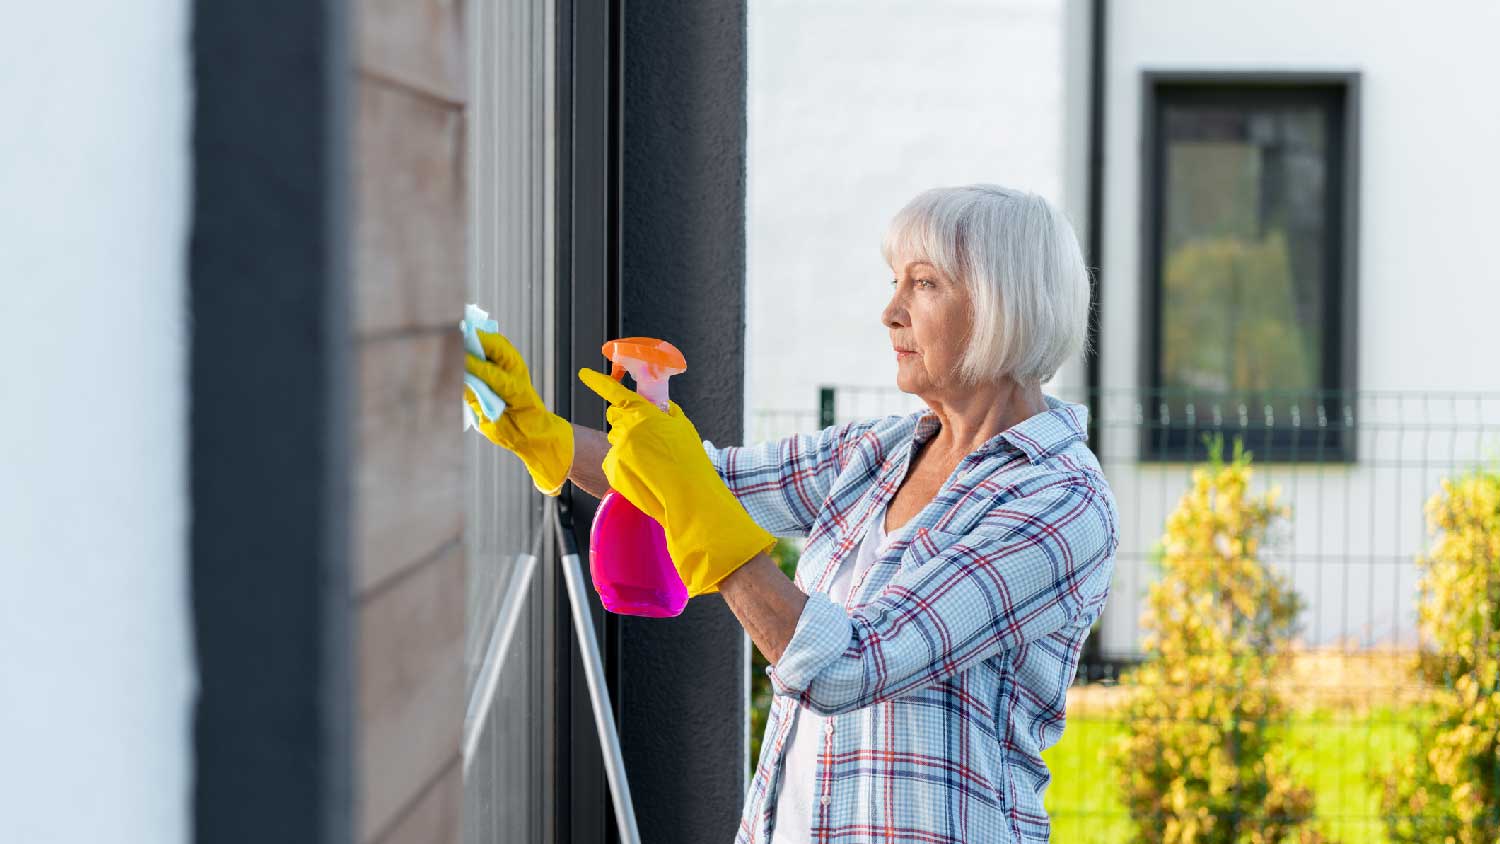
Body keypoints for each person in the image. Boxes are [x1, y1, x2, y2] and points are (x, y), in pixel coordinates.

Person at [464, 184, 1119, 843]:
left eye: (923, 284)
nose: (890, 311)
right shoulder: (880, 453)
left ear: (1004, 306)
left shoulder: (1057, 500)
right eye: (895, 281)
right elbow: (693, 484)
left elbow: (852, 665)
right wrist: (537, 431)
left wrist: (702, 513)